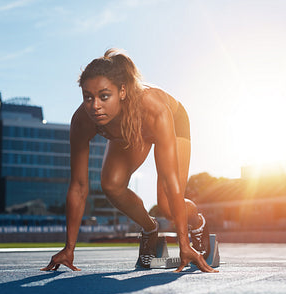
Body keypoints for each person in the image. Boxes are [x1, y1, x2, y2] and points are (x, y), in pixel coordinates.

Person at [41, 48, 217, 273]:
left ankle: (198, 223)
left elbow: (170, 180)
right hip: (131, 129)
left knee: (167, 205)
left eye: (104, 96)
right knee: (111, 185)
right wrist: (69, 247)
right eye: (88, 97)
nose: (95, 106)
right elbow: (78, 186)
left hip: (170, 121)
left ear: (122, 91)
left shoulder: (154, 109)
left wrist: (184, 244)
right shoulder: (82, 120)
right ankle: (149, 229)